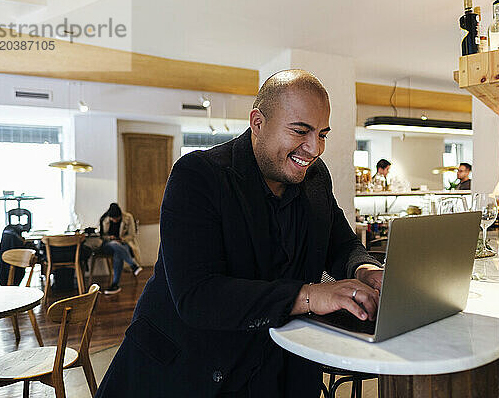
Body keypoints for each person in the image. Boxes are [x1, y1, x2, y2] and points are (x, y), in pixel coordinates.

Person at [96, 70, 383, 397]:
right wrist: (308, 295)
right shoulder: (197, 176)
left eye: (322, 134)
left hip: (277, 370)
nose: (314, 148)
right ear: (257, 123)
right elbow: (197, 297)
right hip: (185, 371)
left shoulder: (315, 178)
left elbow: (341, 243)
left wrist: (366, 269)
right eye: (300, 131)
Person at [99, 203, 143, 295]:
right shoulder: (104, 219)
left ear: (121, 215)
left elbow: (132, 234)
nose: (115, 221)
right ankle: (133, 265)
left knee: (118, 253)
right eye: (113, 219)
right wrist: (110, 238)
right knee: (115, 245)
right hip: (108, 245)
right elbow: (102, 236)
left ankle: (115, 285)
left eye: (117, 219)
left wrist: (121, 239)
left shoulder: (128, 217)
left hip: (124, 243)